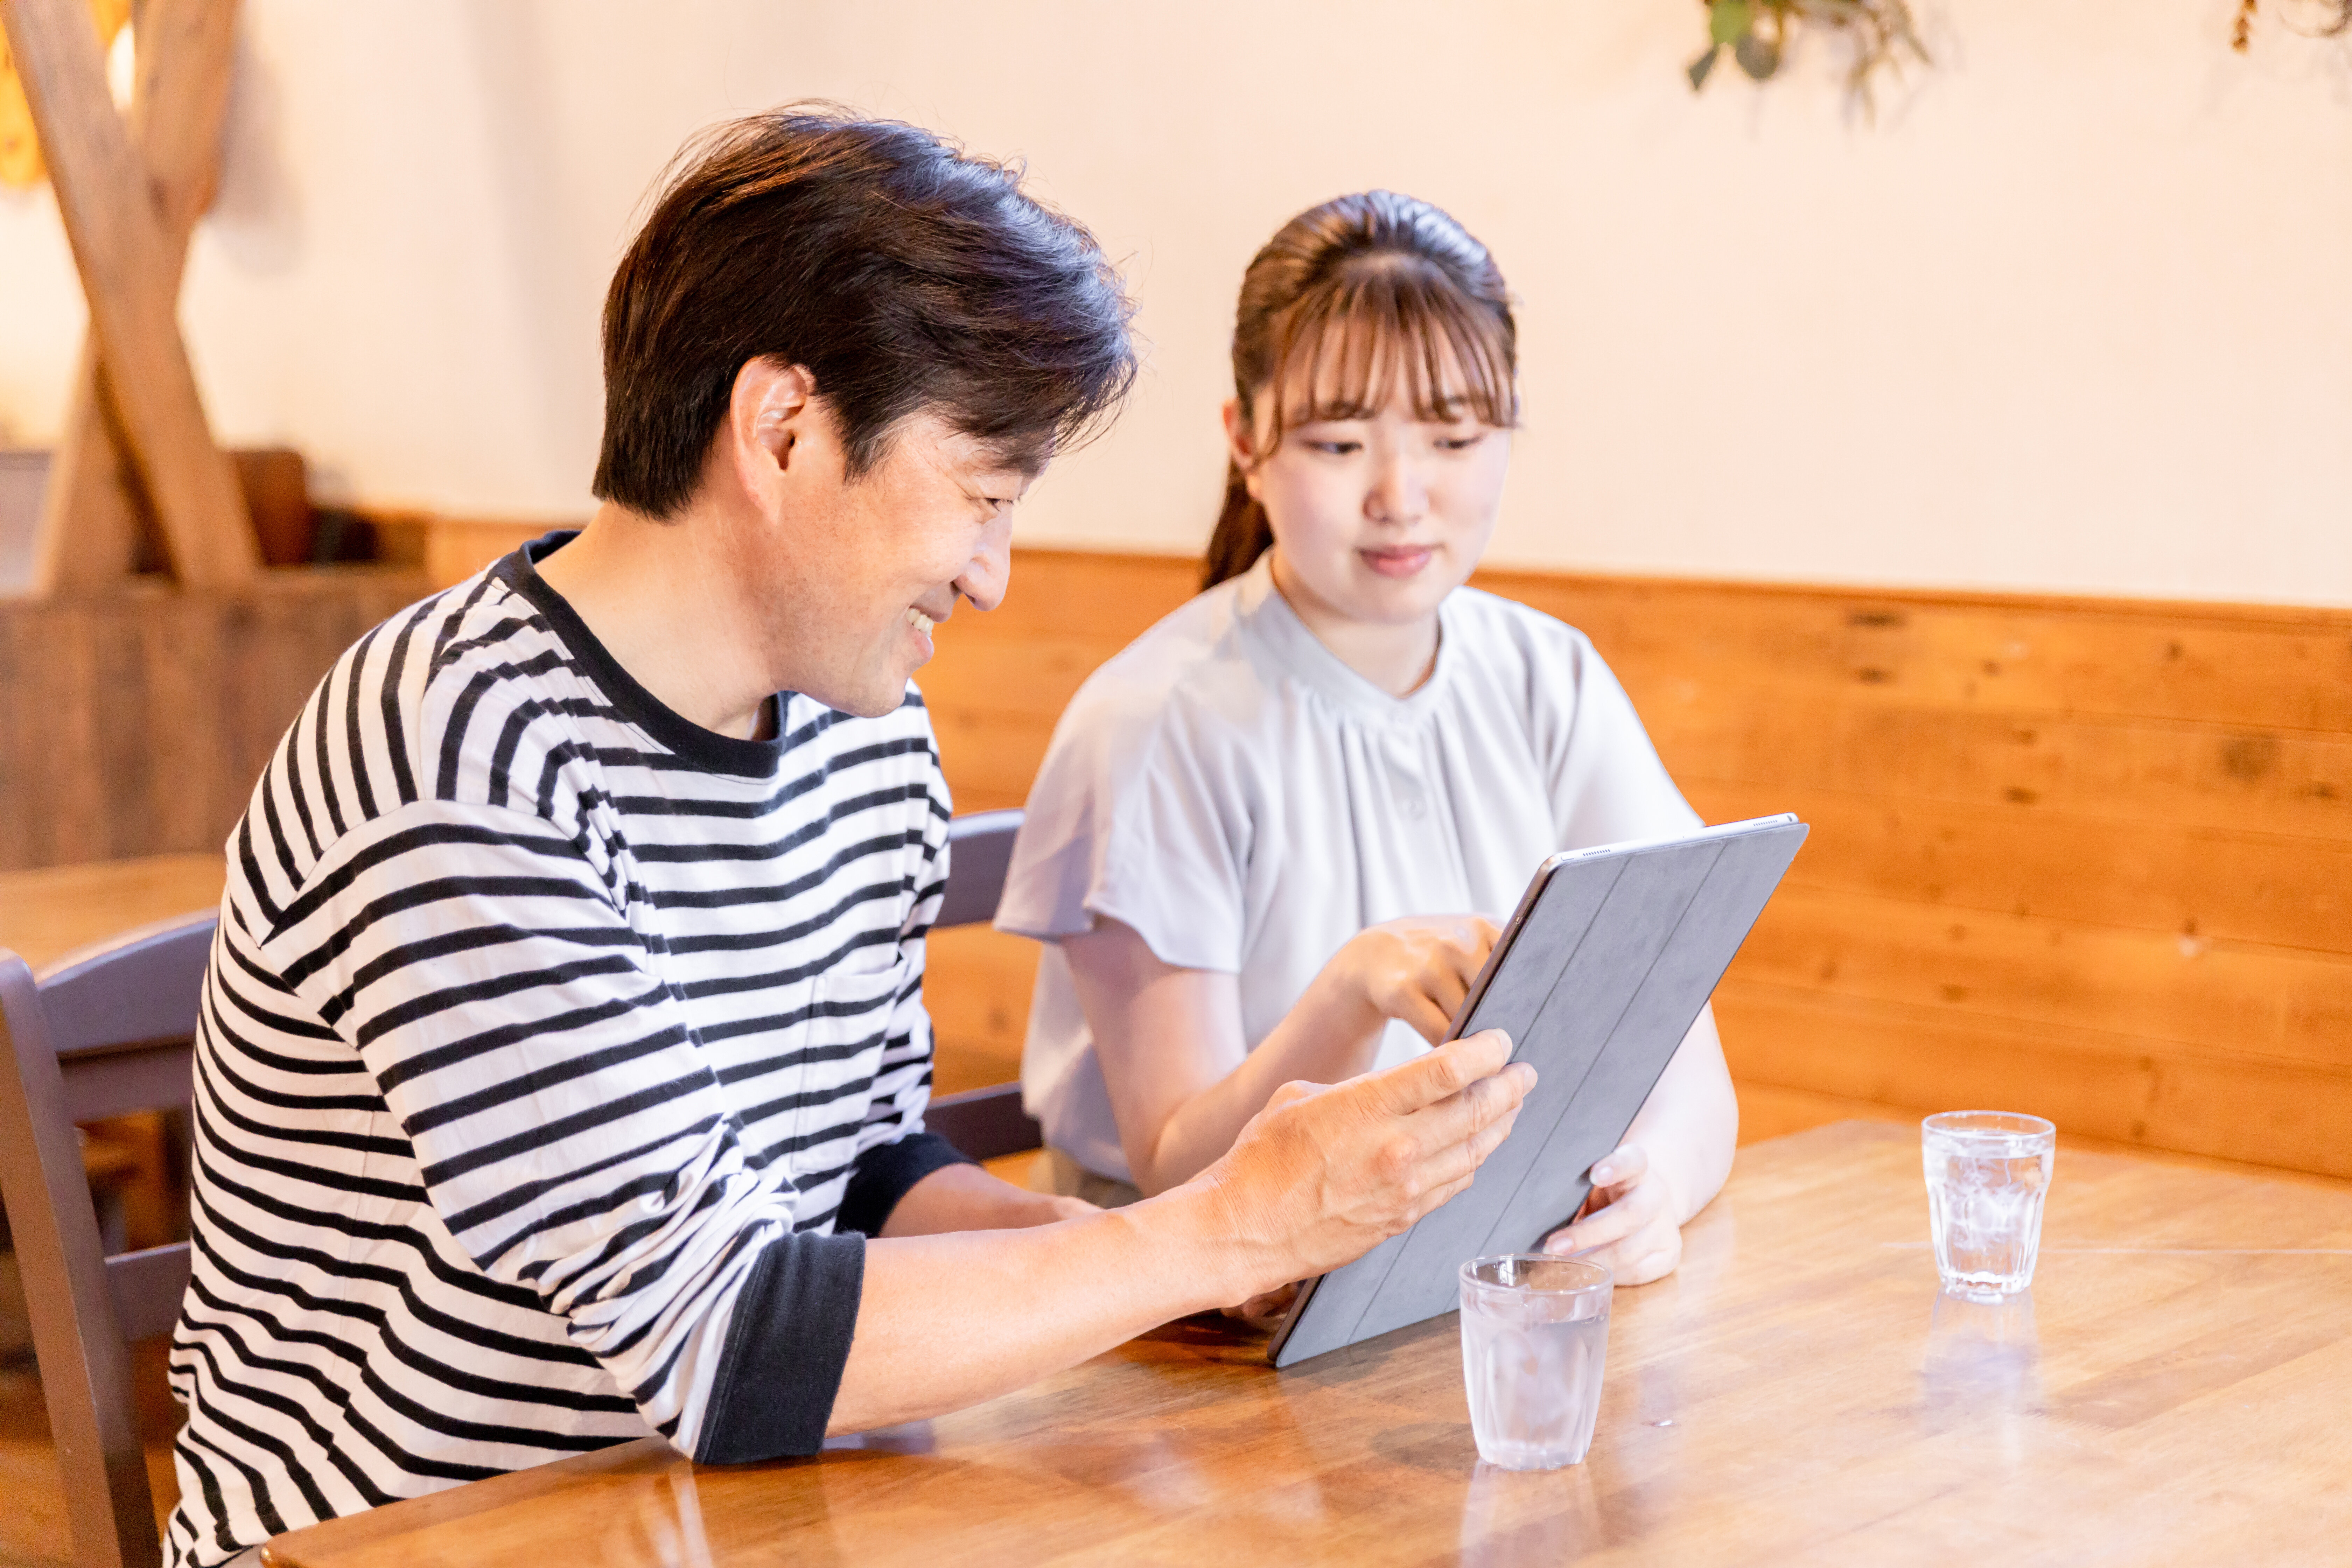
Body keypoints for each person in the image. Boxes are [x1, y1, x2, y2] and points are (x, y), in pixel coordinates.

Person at [163, 116, 1536, 1567]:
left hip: (735, 1514)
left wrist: (1197, 1263)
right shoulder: (458, 747)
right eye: (982, 498)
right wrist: (1225, 1232)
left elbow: (865, 1173)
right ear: (784, 432)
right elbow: (724, 1340)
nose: (993, 577)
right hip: (410, 1537)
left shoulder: (860, 727)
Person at [997, 191, 1736, 1295]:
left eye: (1454, 439)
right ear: (1246, 441)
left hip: (1461, 1290)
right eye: (1340, 443)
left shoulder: (1552, 678)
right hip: (1191, 1331)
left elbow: (1690, 1066)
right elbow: (1175, 1175)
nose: (1401, 496)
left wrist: (1656, 1191)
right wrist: (1347, 996)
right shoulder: (1155, 721)